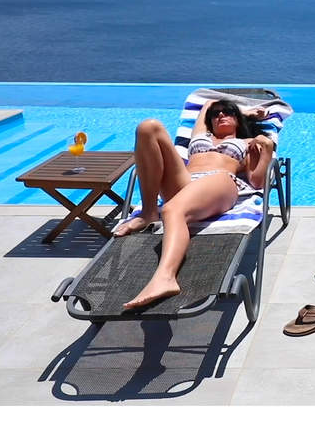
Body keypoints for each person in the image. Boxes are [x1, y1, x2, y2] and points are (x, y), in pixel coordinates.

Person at [115, 99, 275, 309]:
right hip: (186, 181)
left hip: (219, 181)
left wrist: (267, 148)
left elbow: (257, 182)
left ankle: (166, 278)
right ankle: (149, 212)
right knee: (148, 127)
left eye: (228, 112)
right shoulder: (201, 135)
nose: (220, 115)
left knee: (171, 209)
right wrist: (247, 111)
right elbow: (209, 103)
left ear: (238, 120)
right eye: (216, 114)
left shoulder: (248, 142)